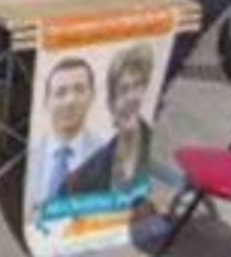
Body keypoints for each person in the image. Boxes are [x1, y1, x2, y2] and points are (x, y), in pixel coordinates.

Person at [62, 44, 155, 195]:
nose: (131, 98)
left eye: (138, 86)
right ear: (111, 104)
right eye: (123, 90)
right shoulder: (88, 173)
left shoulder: (151, 142)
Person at [26, 57, 101, 210]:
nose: (70, 101)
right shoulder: (29, 157)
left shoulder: (106, 154)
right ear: (47, 101)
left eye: (79, 90)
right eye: (60, 93)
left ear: (92, 95)